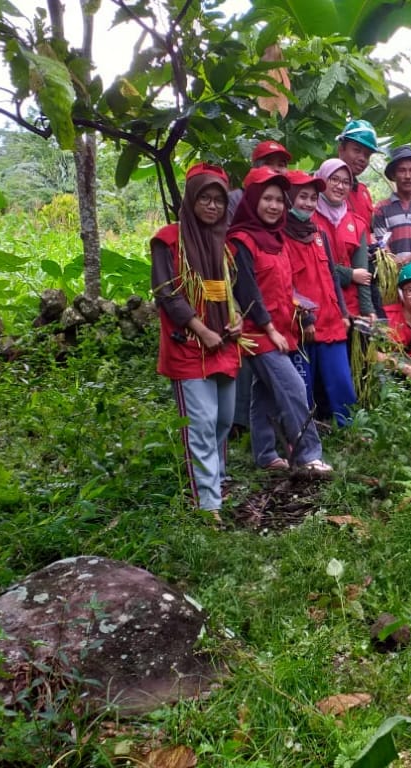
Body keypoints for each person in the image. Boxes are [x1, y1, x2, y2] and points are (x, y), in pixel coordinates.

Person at [151, 163, 241, 522]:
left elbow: (233, 291)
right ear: (190, 200)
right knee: (201, 424)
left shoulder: (225, 244)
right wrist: (202, 330)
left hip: (225, 346)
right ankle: (208, 505)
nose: (212, 206)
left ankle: (216, 483)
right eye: (204, 198)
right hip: (189, 345)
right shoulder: (168, 239)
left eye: (219, 200)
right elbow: (166, 293)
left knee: (223, 421)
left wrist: (237, 320)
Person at [228, 167, 332, 473]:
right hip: (258, 332)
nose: (274, 206)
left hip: (281, 328)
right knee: (294, 388)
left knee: (263, 393)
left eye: (278, 200)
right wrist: (270, 330)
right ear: (253, 200)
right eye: (267, 199)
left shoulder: (276, 237)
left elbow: (283, 287)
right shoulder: (242, 240)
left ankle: (266, 455)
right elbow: (247, 291)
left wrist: (298, 314)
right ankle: (308, 455)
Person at [227, 139, 293, 437]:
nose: (276, 168)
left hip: (276, 310)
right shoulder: (237, 202)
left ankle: (264, 448)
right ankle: (305, 450)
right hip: (244, 308)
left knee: (261, 387)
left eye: (281, 164)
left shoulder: (279, 216)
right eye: (270, 162)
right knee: (251, 375)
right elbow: (241, 270)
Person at [282, 169, 357, 426]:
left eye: (313, 198)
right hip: (303, 325)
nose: (308, 203)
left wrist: (344, 313)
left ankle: (348, 430)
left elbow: (333, 276)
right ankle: (304, 433)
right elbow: (283, 284)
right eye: (302, 196)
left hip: (332, 320)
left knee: (340, 380)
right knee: (303, 384)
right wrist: (305, 319)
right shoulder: (279, 237)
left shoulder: (319, 234)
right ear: (289, 198)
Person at [314, 159, 375, 321]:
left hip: (351, 308)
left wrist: (367, 309)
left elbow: (363, 274)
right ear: (322, 180)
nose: (340, 186)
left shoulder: (357, 223)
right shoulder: (308, 218)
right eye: (334, 179)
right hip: (317, 306)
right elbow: (312, 266)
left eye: (346, 182)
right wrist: (349, 274)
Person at [227, 139, 292, 221]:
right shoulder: (236, 198)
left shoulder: (287, 200)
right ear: (255, 168)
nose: (276, 169)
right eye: (268, 163)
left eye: (281, 165)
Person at [336, 119, 381, 230]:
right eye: (356, 150)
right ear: (341, 149)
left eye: (367, 155)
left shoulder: (363, 192)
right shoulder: (324, 186)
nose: (362, 158)